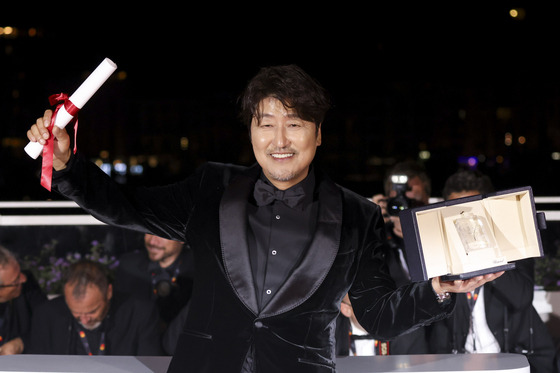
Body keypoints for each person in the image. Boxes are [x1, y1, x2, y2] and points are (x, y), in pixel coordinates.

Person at [27, 64, 502, 372]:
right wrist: (68, 165)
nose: (280, 139)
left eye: (294, 124)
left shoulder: (358, 216)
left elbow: (375, 315)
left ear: (318, 136)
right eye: (266, 123)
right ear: (252, 132)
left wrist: (441, 289)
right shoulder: (211, 188)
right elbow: (126, 207)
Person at [427, 168, 557, 373]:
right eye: (455, 213)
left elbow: (522, 296)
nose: (463, 222)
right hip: (457, 363)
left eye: (469, 211)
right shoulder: (440, 253)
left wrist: (483, 251)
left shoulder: (513, 244)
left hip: (513, 359)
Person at [338, 161, 432, 356]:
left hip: (423, 338)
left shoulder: (436, 239)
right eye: (398, 203)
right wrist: (368, 223)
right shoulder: (376, 241)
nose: (405, 209)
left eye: (413, 202)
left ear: (427, 200)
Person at [27, 259, 163, 355]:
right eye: (76, 313)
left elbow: (150, 364)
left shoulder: (140, 313)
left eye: (92, 311)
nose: (85, 320)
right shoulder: (46, 315)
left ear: (108, 292)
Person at [114, 233, 194, 327]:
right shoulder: (128, 265)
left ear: (181, 237)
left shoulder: (200, 270)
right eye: (148, 232)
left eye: (162, 235)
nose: (152, 241)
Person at [0, 245, 47, 355]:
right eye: (16, 281)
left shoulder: (28, 287)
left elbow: (48, 326)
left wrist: (21, 343)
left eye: (20, 272)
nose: (23, 279)